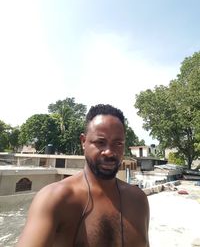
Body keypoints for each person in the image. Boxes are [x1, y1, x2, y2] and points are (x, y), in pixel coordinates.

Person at [17, 104, 150, 247]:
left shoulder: (138, 201)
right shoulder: (54, 199)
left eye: (117, 143)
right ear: (83, 142)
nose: (109, 152)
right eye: (100, 142)